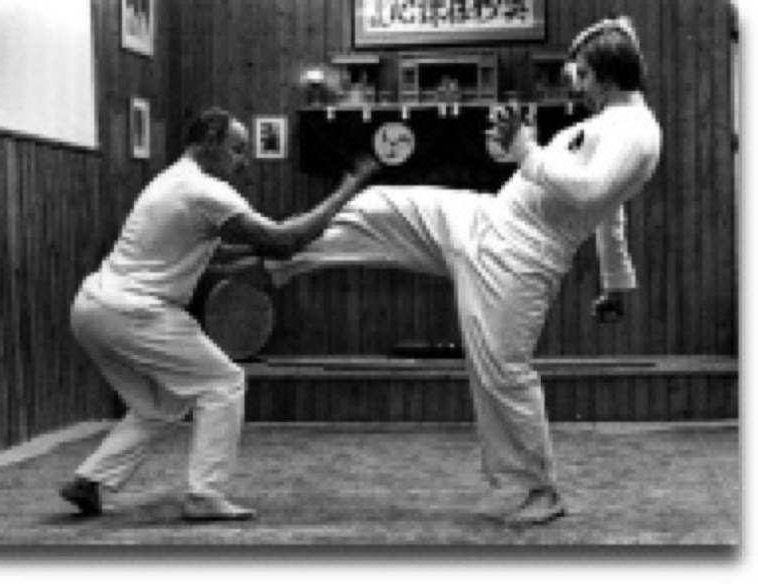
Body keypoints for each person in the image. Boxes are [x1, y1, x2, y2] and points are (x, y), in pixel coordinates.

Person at [228, 16, 662, 526]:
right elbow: (610, 216)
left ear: (608, 78)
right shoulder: (612, 123)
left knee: (501, 373)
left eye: (584, 76)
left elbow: (592, 194)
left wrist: (524, 150)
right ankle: (275, 260)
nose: (579, 86)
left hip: (520, 259)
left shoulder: (638, 133)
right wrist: (615, 283)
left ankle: (538, 491)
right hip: (487, 218)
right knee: (378, 206)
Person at [59, 107, 380, 520]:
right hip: (134, 313)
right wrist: (346, 191)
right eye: (238, 149)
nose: (243, 161)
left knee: (160, 407)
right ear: (211, 140)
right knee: (223, 383)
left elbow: (222, 250)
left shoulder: (171, 180)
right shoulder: (204, 191)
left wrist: (281, 246)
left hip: (92, 310)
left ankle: (88, 481)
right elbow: (283, 242)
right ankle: (204, 495)